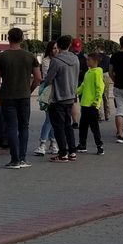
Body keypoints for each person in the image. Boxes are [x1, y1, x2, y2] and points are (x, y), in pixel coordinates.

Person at [0, 27, 40, 168]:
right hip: (24, 96)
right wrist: (29, 90)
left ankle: (14, 160)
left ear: (8, 38)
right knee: (24, 127)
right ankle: (23, 158)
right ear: (22, 39)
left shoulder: (0, 56)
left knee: (12, 126)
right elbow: (38, 78)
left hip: (7, 96)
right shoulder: (30, 56)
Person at [43, 34, 80, 162]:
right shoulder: (75, 59)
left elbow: (49, 79)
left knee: (58, 126)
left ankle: (62, 153)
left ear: (58, 46)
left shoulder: (56, 60)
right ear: (69, 45)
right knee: (68, 125)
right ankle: (72, 152)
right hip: (71, 96)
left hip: (58, 97)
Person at [33, 39, 61, 157]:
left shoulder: (59, 60)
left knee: (54, 119)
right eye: (53, 48)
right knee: (49, 118)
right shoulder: (46, 61)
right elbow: (49, 75)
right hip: (49, 91)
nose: (55, 50)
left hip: (57, 91)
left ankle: (53, 143)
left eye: (57, 48)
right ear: (49, 50)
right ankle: (43, 143)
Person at [77, 51, 106, 155]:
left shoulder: (97, 72)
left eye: (88, 60)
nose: (87, 61)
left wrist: (97, 101)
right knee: (83, 126)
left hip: (92, 105)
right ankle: (82, 145)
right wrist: (75, 92)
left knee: (94, 127)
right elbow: (84, 86)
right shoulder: (88, 72)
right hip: (85, 104)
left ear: (95, 61)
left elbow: (100, 87)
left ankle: (99, 145)